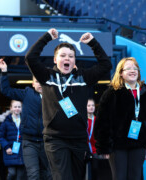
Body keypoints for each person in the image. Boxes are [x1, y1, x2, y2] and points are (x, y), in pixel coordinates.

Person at [25, 28, 112, 180]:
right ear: (55, 59)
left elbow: (106, 65)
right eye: (63, 55)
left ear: (74, 61)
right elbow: (30, 58)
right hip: (55, 139)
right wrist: (46, 38)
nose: (67, 58)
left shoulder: (83, 77)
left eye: (71, 56)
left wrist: (93, 43)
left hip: (78, 139)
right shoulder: (47, 76)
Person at [94, 57, 146, 180]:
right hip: (117, 145)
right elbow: (102, 120)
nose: (132, 71)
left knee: (135, 177)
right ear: (121, 73)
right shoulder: (112, 92)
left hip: (139, 144)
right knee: (120, 177)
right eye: (128, 68)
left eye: (135, 68)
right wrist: (103, 145)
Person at [0, 58, 51, 180]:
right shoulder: (26, 93)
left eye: (42, 81)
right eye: (37, 82)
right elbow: (6, 90)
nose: (40, 84)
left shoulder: (53, 95)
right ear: (33, 84)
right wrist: (4, 71)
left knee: (47, 174)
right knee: (33, 174)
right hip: (29, 142)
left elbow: (69, 111)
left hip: (46, 142)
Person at [0, 100, 26, 180]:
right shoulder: (6, 122)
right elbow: (0, 137)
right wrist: (6, 147)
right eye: (15, 107)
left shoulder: (25, 120)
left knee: (20, 176)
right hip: (10, 151)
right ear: (11, 108)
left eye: (19, 107)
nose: (17, 108)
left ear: (22, 108)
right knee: (12, 173)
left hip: (22, 151)